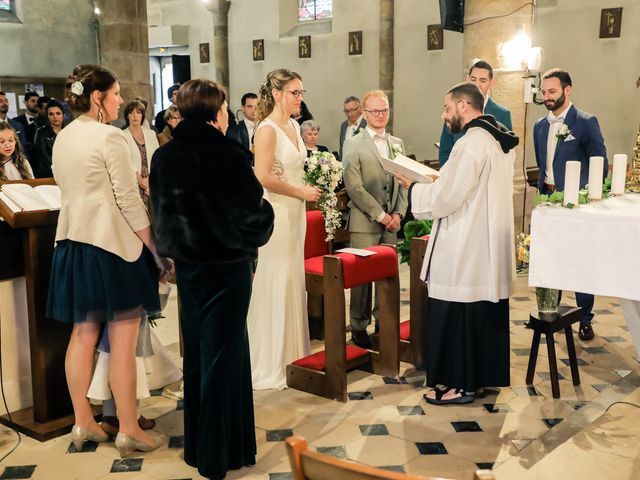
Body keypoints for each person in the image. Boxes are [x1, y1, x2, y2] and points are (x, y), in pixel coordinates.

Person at [150, 78, 274, 480]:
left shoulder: (165, 156)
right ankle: (216, 458)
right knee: (225, 357)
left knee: (204, 355)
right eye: (223, 107)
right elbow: (253, 216)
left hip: (190, 269)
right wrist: (262, 223)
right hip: (226, 268)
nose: (227, 114)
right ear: (214, 111)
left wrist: (178, 255)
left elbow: (163, 219)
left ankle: (216, 446)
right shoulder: (229, 154)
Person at [46, 64, 170, 457]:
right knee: (121, 342)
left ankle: (83, 420)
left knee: (81, 335)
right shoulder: (111, 138)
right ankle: (129, 428)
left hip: (72, 244)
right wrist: (155, 249)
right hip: (114, 248)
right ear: (97, 97)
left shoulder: (63, 137)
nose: (120, 100)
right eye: (115, 94)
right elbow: (128, 201)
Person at [396, 82, 518, 405]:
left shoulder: (471, 143)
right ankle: (475, 380)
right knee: (476, 314)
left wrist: (413, 190)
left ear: (464, 106)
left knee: (457, 315)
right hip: (484, 245)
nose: (443, 114)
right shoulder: (496, 140)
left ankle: (458, 384)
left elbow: (449, 197)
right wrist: (440, 181)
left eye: (447, 108)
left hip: (466, 244)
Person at [247, 69, 321, 390]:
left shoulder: (293, 125)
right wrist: (300, 192)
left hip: (296, 212)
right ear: (277, 94)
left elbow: (293, 168)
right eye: (294, 92)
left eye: (301, 92)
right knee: (276, 276)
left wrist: (310, 185)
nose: (299, 98)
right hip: (277, 212)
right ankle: (271, 359)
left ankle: (293, 353)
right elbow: (262, 176)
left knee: (293, 278)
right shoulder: (266, 130)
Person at [533, 68, 607, 341]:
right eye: (543, 92)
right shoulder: (540, 126)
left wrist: (584, 197)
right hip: (548, 201)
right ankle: (552, 311)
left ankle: (584, 318)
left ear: (567, 89)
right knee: (552, 258)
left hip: (578, 204)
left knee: (580, 261)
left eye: (552, 91)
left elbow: (599, 164)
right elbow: (544, 165)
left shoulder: (586, 122)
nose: (547, 97)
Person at [342, 90, 408, 349]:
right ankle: (358, 325)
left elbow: (405, 182)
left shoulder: (397, 143)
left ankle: (385, 323)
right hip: (365, 222)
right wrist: (381, 216)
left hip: (392, 221)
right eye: (375, 111)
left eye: (385, 110)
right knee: (362, 279)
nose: (381, 115)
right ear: (365, 114)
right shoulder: (354, 143)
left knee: (388, 276)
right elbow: (354, 186)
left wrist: (399, 214)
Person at [439, 59, 512, 166]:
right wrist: (449, 176)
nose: (477, 84)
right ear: (467, 79)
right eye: (473, 79)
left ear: (491, 83)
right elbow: (445, 151)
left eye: (482, 80)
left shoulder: (502, 114)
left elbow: (506, 154)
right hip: (456, 175)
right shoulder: (454, 110)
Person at [123, 99, 160, 211]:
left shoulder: (151, 134)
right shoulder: (122, 135)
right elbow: (123, 162)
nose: (135, 116)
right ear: (127, 115)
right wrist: (139, 180)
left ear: (142, 116)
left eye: (138, 113)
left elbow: (157, 158)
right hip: (133, 185)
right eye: (131, 112)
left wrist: (150, 179)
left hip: (152, 183)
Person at [32, 99, 66, 178]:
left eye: (58, 113)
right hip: (48, 174)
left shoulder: (68, 132)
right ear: (47, 116)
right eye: (51, 114)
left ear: (63, 115)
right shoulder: (41, 133)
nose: (55, 117)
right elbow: (45, 158)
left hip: (67, 173)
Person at [12, 90, 40, 157]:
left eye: (38, 101)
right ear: (25, 102)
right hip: (23, 158)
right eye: (33, 101)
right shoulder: (15, 122)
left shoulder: (45, 121)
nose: (36, 103)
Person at [339, 95, 366, 160]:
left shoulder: (368, 124)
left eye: (352, 110)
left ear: (360, 108)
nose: (349, 114)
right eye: (347, 111)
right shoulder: (344, 125)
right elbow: (341, 148)